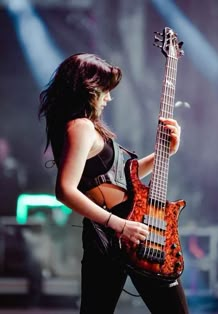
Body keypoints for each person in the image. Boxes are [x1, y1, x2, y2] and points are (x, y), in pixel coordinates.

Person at [38, 53, 189, 313]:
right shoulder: (80, 127)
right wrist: (119, 225)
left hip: (127, 230)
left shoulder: (86, 126)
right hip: (115, 234)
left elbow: (122, 177)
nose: (109, 97)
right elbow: (64, 190)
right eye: (106, 90)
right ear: (89, 88)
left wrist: (166, 152)